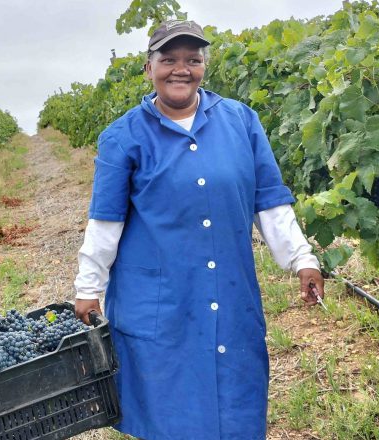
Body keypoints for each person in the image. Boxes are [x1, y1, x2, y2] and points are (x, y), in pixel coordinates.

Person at [73, 20, 325, 439]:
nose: (181, 69)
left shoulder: (241, 121)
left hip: (230, 295)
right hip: (162, 304)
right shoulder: (122, 137)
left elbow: (270, 201)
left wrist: (302, 258)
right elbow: (106, 222)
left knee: (235, 406)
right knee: (171, 415)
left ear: (204, 65)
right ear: (148, 67)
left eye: (193, 59)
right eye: (168, 59)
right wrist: (88, 286)